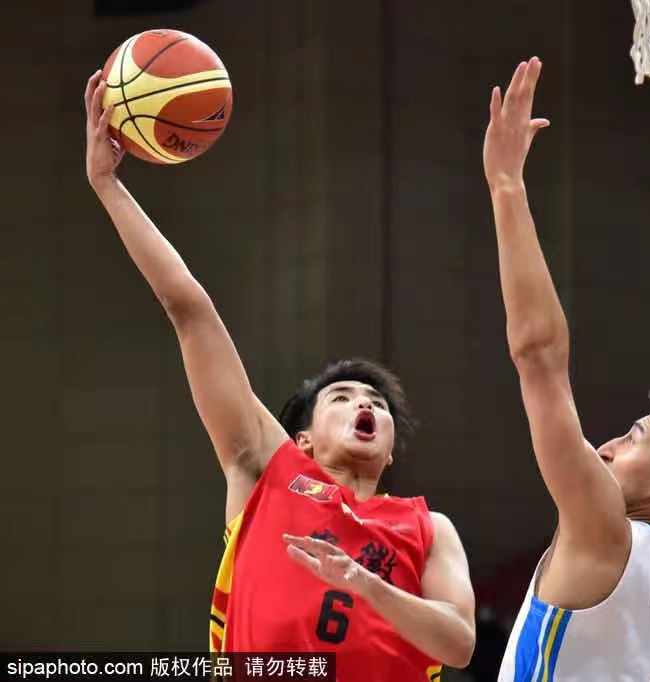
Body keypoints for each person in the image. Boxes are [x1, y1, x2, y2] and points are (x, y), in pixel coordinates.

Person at [82, 71, 475, 681]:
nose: (366, 405)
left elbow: (459, 644)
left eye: (378, 403)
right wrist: (108, 186)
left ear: (392, 448)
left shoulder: (427, 528)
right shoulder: (268, 471)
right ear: (304, 440)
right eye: (342, 397)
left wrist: (367, 585)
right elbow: (189, 310)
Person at [484, 58, 650, 681]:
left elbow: (539, 358)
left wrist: (506, 186)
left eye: (633, 438)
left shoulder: (606, 530)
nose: (606, 446)